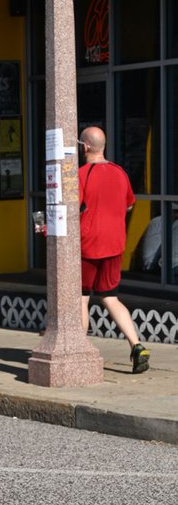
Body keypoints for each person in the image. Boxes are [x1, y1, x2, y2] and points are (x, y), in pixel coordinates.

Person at [78, 126, 150, 373]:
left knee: (81, 298)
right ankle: (138, 346)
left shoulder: (81, 174)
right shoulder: (120, 172)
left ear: (85, 147)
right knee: (110, 297)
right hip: (115, 244)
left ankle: (80, 352)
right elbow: (129, 204)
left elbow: (71, 209)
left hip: (88, 246)